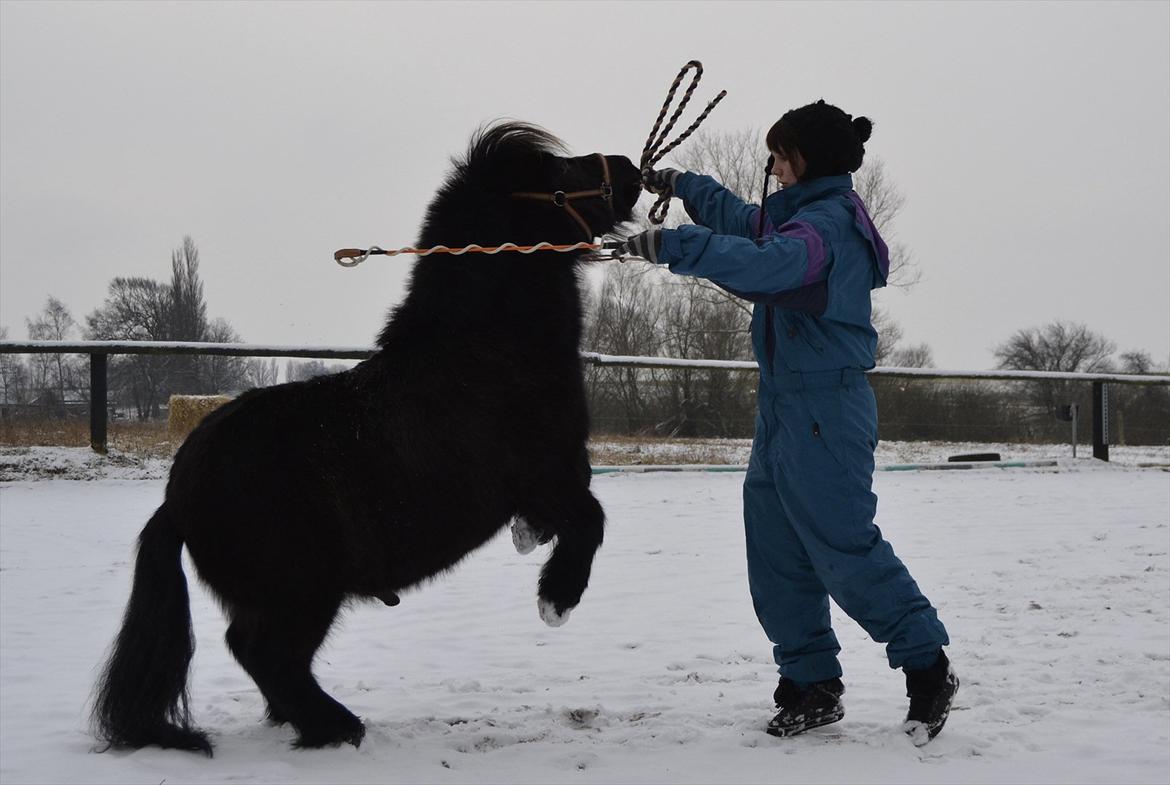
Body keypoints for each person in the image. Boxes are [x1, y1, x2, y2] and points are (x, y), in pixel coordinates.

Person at [619, 100, 958, 745]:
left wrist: (672, 244)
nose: (772, 170)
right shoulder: (801, 216)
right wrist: (681, 185)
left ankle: (926, 663)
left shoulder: (825, 227)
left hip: (825, 409)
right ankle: (810, 684)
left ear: (805, 161)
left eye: (779, 157)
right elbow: (749, 225)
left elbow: (769, 264)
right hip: (783, 406)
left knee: (842, 548)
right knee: (776, 552)